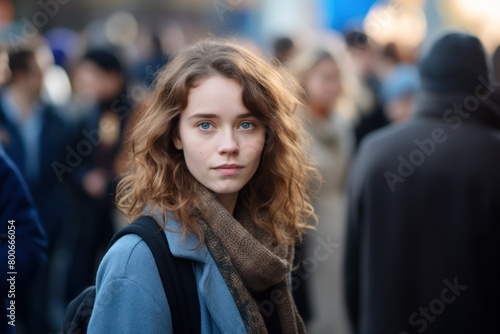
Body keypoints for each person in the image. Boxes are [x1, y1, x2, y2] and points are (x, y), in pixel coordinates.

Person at [88, 39, 317, 333]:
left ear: (268, 135)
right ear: (175, 135)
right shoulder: (138, 260)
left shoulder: (269, 238)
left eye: (246, 124)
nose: (229, 146)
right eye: (205, 125)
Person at [344, 30, 500, 334]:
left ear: (424, 77)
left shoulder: (374, 151)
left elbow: (354, 267)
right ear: (483, 80)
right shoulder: (492, 154)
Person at [0, 48, 74, 334]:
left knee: (40, 299)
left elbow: (69, 168)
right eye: (41, 71)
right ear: (21, 76)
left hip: (39, 219)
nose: (47, 78)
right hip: (16, 222)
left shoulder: (58, 120)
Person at [290, 44, 354, 334]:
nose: (334, 86)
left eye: (337, 77)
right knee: (318, 311)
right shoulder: (293, 129)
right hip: (310, 235)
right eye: (325, 78)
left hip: (345, 230)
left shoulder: (343, 125)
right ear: (305, 79)